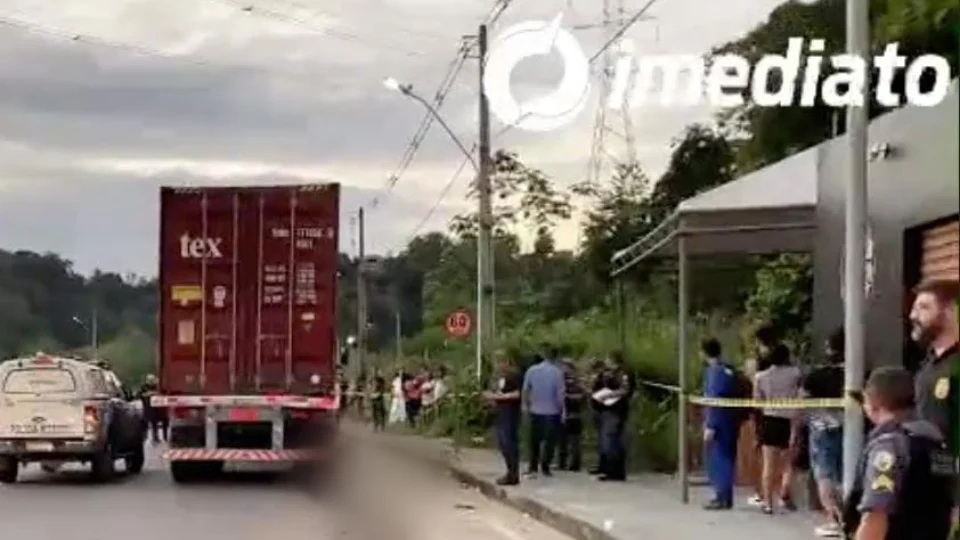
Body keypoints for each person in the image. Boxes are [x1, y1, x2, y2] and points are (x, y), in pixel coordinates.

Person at [841, 366, 955, 540]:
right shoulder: (936, 441)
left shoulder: (888, 446)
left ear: (873, 402)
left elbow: (875, 516)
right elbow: (951, 504)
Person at [800, 327, 846, 537]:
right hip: (851, 429)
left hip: (822, 429)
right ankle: (847, 517)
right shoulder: (859, 374)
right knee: (846, 473)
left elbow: (802, 400)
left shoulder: (817, 376)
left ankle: (834, 520)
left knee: (824, 475)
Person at [910, 280, 959, 458]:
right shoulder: (927, 365)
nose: (912, 316)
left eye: (924, 308)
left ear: (949, 311)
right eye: (914, 308)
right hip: (931, 472)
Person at [754, 342, 801, 514]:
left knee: (769, 464)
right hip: (788, 420)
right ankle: (784, 493)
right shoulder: (795, 374)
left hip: (770, 419)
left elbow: (757, 401)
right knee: (788, 463)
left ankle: (767, 503)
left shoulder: (761, 376)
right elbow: (799, 394)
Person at [701, 338, 739, 510]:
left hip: (719, 421)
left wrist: (711, 425)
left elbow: (714, 399)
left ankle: (721, 496)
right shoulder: (728, 370)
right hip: (731, 419)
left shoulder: (713, 372)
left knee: (719, 458)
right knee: (727, 457)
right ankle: (726, 495)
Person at [523, 346, 566, 477]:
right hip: (552, 411)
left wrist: (525, 405)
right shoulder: (557, 373)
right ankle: (545, 466)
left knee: (534, 440)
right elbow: (560, 394)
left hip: (535, 409)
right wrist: (563, 410)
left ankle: (533, 466)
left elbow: (526, 389)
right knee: (549, 441)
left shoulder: (532, 370)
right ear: (556, 357)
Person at [484, 353, 523, 486]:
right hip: (499, 411)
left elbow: (518, 394)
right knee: (502, 442)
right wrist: (489, 396)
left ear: (507, 362)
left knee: (508, 442)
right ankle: (510, 472)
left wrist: (500, 397)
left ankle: (513, 473)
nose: (498, 365)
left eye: (500, 362)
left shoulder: (514, 375)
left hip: (510, 411)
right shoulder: (497, 377)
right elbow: (490, 390)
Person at [596, 350, 635, 482]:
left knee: (612, 440)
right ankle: (610, 469)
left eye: (608, 359)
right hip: (608, 409)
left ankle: (614, 471)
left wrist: (608, 395)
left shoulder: (623, 374)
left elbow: (625, 390)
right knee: (610, 440)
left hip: (616, 409)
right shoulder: (610, 373)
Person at [557, 360, 585, 472]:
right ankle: (565, 463)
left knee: (573, 441)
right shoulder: (563, 382)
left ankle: (573, 463)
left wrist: (566, 396)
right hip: (568, 413)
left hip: (572, 413)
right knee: (565, 440)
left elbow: (581, 397)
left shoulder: (575, 383)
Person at [587, 359, 607, 475]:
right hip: (597, 410)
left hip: (601, 410)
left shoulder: (602, 379)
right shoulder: (600, 378)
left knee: (603, 439)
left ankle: (604, 465)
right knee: (600, 440)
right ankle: (601, 464)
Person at [138, 374, 167, 444]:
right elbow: (139, 395)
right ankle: (144, 437)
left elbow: (162, 393)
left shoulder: (157, 386)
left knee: (156, 422)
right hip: (147, 407)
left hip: (156, 408)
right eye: (149, 380)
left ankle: (157, 437)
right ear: (147, 380)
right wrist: (148, 394)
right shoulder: (144, 387)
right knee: (145, 423)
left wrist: (155, 393)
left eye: (152, 380)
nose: (151, 381)